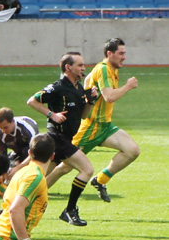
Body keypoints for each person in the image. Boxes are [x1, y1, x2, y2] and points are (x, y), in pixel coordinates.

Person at [27, 52, 96, 226]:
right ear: (68, 67)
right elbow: (32, 101)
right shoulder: (58, 87)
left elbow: (83, 115)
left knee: (40, 180)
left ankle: (12, 206)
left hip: (65, 140)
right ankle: (70, 210)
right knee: (87, 170)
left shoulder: (79, 89)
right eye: (79, 65)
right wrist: (52, 114)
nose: (83, 68)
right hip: (57, 138)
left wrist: (90, 101)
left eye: (83, 65)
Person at [72, 38, 140, 202]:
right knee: (63, 166)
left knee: (132, 150)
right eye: (121, 53)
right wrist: (128, 86)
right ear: (110, 54)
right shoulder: (103, 69)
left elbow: (89, 80)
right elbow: (109, 97)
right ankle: (33, 193)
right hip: (91, 126)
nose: (124, 57)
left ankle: (100, 180)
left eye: (124, 53)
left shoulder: (110, 68)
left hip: (105, 126)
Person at [0, 107, 39, 178]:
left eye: (5, 127)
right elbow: (2, 156)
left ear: (13, 121)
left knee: (25, 152)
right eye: (0, 128)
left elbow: (35, 152)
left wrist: (18, 168)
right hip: (16, 152)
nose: (3, 131)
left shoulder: (27, 128)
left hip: (33, 152)